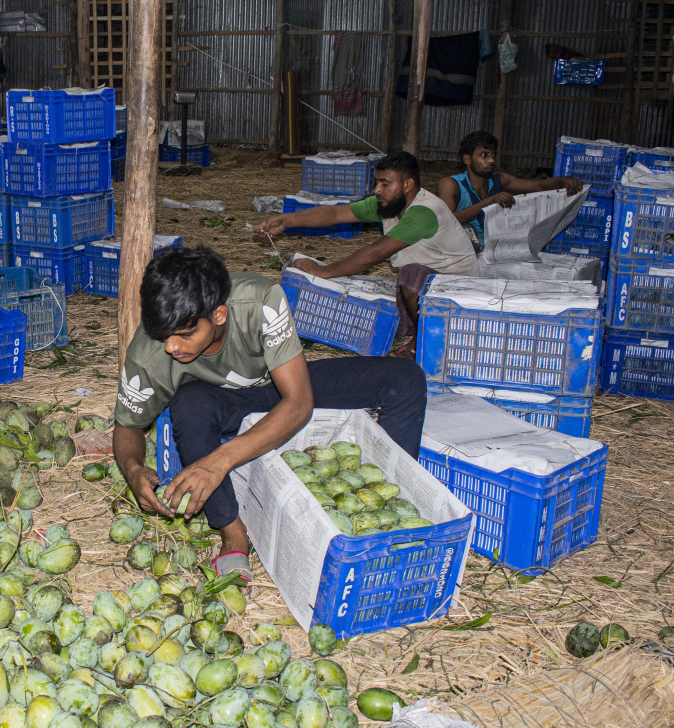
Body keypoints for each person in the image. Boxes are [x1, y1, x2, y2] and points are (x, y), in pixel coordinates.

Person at [112, 246, 427, 586]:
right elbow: (127, 426)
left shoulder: (260, 301)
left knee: (404, 379)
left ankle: (392, 503)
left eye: (185, 334)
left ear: (218, 315)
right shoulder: (150, 352)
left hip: (281, 387)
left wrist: (216, 463)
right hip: (221, 404)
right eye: (164, 336)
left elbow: (298, 403)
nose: (172, 347)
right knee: (189, 404)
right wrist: (132, 469)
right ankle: (233, 533)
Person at [255, 151, 478, 357]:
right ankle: (415, 325)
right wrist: (285, 220)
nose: (376, 190)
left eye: (384, 184)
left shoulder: (423, 211)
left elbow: (376, 253)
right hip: (429, 286)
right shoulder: (390, 204)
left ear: (408, 184)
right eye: (377, 183)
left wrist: (325, 271)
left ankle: (422, 344)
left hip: (459, 292)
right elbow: (335, 213)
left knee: (411, 274)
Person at [437, 130, 583, 250]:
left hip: (496, 249)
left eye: (493, 155)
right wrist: (490, 201)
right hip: (465, 251)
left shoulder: (499, 179)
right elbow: (447, 221)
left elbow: (537, 186)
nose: (491, 160)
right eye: (484, 155)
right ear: (467, 159)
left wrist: (562, 181)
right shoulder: (451, 183)